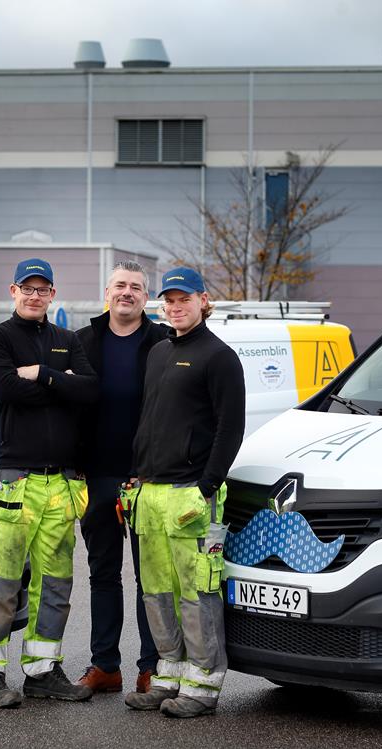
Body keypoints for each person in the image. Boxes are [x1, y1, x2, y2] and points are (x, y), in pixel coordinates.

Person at [0, 257, 99, 709]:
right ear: (13, 290)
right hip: (14, 480)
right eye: (28, 287)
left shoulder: (66, 340)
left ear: (53, 295)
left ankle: (43, 671)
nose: (35, 295)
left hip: (61, 483)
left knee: (56, 583)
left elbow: (90, 393)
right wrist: (62, 385)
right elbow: (6, 391)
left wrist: (42, 374)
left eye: (43, 289)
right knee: (1, 580)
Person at [124, 267, 246, 718]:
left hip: (192, 494)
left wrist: (207, 486)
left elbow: (230, 429)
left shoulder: (219, 356)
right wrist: (136, 476)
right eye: (169, 301)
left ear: (203, 301)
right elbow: (150, 421)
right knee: (155, 591)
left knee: (197, 593)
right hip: (151, 494)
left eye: (184, 299)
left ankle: (203, 686)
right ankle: (168, 676)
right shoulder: (158, 352)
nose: (175, 307)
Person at [74, 261, 169, 695]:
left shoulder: (163, 343)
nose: (127, 292)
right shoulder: (82, 342)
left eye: (135, 287)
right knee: (103, 575)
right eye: (120, 285)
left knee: (150, 576)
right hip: (97, 477)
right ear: (106, 293)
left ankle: (150, 666)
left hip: (147, 479)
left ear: (145, 298)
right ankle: (105, 667)